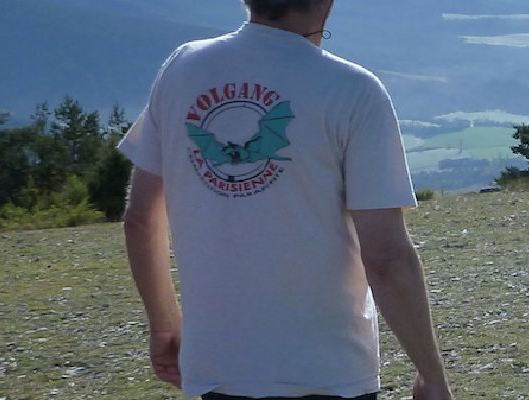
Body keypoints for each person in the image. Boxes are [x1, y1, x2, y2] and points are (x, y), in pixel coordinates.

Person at [119, 1, 453, 398]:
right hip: (328, 369)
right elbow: (386, 257)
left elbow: (139, 219)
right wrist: (430, 374)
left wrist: (165, 325)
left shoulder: (182, 68)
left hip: (217, 366)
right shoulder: (353, 90)